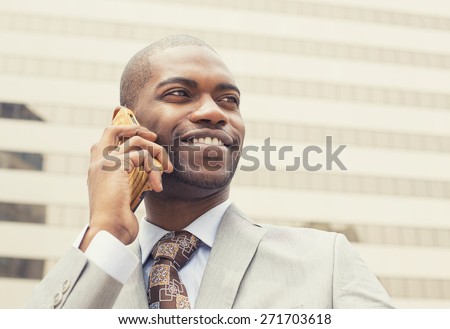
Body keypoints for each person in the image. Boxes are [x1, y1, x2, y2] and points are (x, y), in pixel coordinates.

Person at [25, 35, 393, 309]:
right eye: (180, 94)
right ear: (126, 123)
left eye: (229, 100)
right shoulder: (90, 273)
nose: (214, 112)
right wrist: (107, 230)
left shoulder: (325, 262)